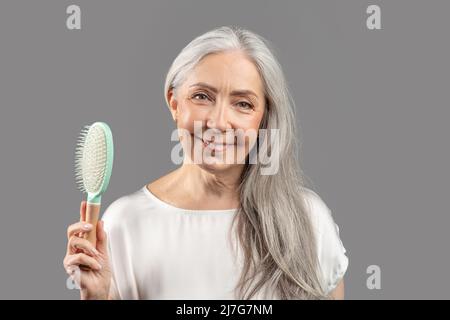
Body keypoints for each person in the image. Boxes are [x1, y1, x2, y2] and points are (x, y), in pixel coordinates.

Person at [63, 25, 349, 300]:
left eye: (243, 104)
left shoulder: (307, 219)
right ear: (175, 103)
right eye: (202, 97)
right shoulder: (125, 223)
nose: (218, 122)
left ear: (263, 118)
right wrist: (96, 298)